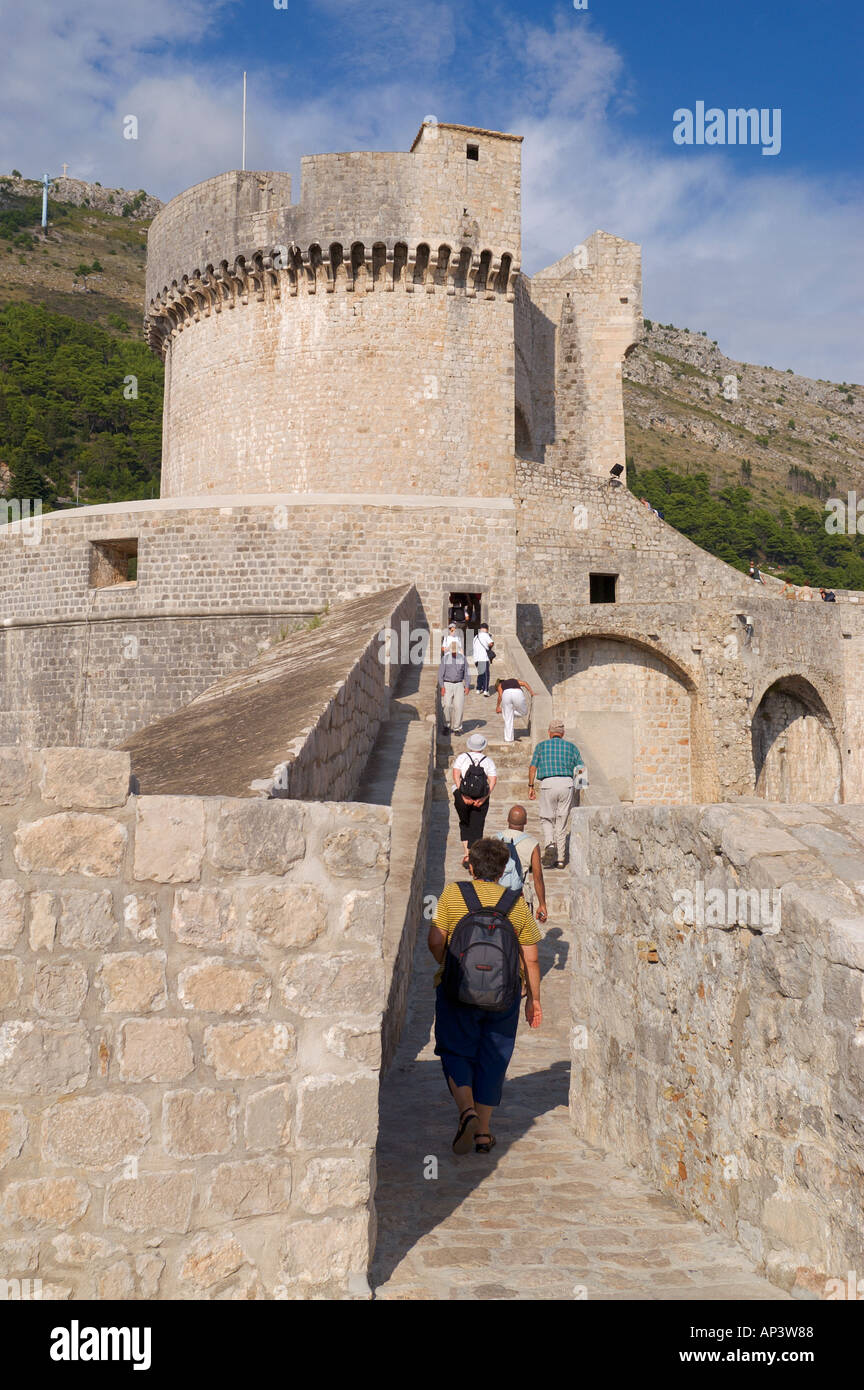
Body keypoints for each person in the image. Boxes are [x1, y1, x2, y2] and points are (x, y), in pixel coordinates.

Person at [428, 837, 542, 1155]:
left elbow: (436, 940)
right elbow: (531, 957)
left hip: (456, 991)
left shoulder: (454, 893)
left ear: (472, 866)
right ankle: (484, 1133)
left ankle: (467, 1111)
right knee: (494, 1058)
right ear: (504, 868)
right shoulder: (515, 902)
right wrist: (534, 1000)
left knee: (454, 1049)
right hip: (503, 996)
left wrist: (448, 967)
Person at [528, 719, 583, 868]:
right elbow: (580, 768)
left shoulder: (541, 746)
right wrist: (579, 790)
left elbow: (533, 767)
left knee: (546, 818)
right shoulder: (572, 747)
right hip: (566, 784)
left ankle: (550, 844)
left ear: (549, 733)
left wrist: (531, 786)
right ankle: (560, 859)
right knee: (562, 821)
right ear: (563, 733)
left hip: (548, 784)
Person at [492, 804, 547, 923]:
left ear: (507, 820)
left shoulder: (493, 839)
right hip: (520, 897)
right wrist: (542, 904)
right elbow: (538, 878)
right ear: (526, 821)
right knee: (521, 937)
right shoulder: (532, 844)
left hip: (495, 896)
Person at [452, 733, 497, 866]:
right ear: (483, 747)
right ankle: (473, 857)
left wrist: (464, 794)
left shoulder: (462, 758)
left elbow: (456, 775)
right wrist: (484, 798)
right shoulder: (488, 761)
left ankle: (467, 855)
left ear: (469, 745)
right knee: (477, 827)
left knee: (465, 823)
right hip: (480, 798)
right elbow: (493, 781)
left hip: (461, 797)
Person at [438, 639, 470, 736]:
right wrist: (442, 686)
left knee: (458, 706)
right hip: (447, 684)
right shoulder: (445, 659)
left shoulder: (463, 658)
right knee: (447, 706)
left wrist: (467, 685)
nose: (454, 653)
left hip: (459, 684)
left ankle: (457, 727)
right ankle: (446, 725)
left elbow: (467, 673)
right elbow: (440, 674)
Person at [495, 676, 535, 743]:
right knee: (524, 712)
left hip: (506, 694)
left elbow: (500, 696)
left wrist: (498, 706)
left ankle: (508, 739)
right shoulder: (513, 680)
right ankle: (508, 712)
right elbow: (525, 683)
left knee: (508, 718)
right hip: (517, 693)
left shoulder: (500, 685)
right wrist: (531, 692)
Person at [473, 622, 493, 697]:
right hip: (484, 658)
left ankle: (478, 689)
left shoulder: (475, 637)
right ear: (486, 629)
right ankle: (486, 690)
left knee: (480, 674)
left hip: (476, 658)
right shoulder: (485, 635)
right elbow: (491, 643)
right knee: (486, 675)